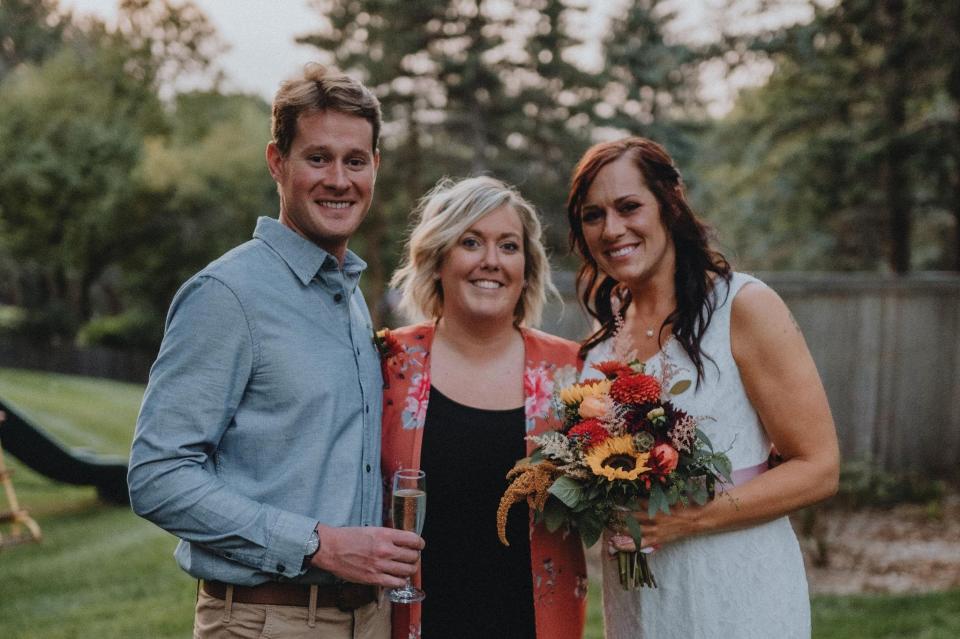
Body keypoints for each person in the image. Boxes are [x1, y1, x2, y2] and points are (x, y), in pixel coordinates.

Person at [127, 64, 423, 639]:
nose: (339, 179)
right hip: (268, 621)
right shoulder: (228, 295)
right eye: (318, 158)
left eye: (355, 161)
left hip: (368, 619)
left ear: (374, 168)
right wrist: (318, 544)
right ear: (277, 162)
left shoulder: (349, 294)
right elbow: (157, 475)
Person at [567, 137, 839, 638]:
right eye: (593, 215)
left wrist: (686, 521)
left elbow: (818, 468)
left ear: (670, 204)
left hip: (737, 594)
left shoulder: (743, 307)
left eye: (629, 207)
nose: (612, 229)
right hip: (637, 605)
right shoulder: (598, 352)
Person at [379, 176, 587, 639]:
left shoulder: (572, 375)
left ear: (527, 269)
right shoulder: (389, 364)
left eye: (508, 246)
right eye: (470, 242)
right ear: (437, 260)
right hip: (412, 625)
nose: (490, 261)